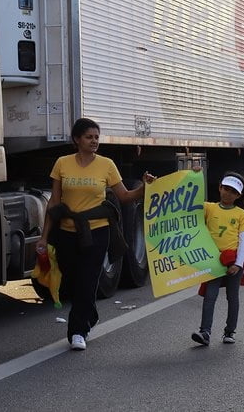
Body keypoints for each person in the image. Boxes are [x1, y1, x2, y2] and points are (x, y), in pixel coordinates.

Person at [37, 118, 154, 351]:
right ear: (77, 139)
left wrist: (144, 187)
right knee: (71, 281)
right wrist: (44, 236)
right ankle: (90, 315)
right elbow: (54, 203)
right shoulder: (62, 163)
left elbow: (124, 197)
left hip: (97, 232)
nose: (94, 141)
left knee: (88, 280)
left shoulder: (106, 164)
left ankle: (77, 331)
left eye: (96, 137)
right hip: (67, 232)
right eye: (89, 137)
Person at [191, 172, 244, 346]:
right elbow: (191, 202)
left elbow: (243, 241)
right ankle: (205, 332)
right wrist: (194, 174)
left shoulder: (241, 214)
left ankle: (230, 331)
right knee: (209, 296)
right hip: (214, 261)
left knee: (232, 297)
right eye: (226, 189)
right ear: (219, 188)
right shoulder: (209, 208)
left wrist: (238, 264)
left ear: (238, 195)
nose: (228, 193)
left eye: (233, 192)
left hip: (233, 261)